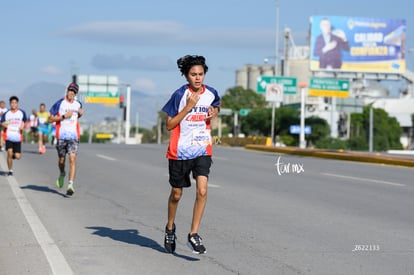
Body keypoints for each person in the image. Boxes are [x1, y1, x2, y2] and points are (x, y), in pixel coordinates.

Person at [161, 55, 221, 254]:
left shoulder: (211, 93)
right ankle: (170, 228)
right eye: (193, 74)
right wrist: (188, 107)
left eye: (201, 74)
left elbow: (216, 105)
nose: (197, 78)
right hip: (179, 151)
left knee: (202, 190)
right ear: (186, 76)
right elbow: (169, 125)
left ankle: (193, 234)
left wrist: (215, 112)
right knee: (177, 194)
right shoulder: (179, 95)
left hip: (202, 148)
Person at [49, 83, 84, 196]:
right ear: (67, 91)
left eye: (74, 92)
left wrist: (80, 114)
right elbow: (50, 119)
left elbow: (76, 117)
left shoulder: (78, 104)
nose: (71, 93)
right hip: (62, 137)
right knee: (61, 161)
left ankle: (70, 185)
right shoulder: (59, 103)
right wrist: (64, 116)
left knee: (72, 159)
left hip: (73, 137)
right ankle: (62, 173)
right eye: (70, 90)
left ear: (76, 94)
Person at [0, 96, 27, 176]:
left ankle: (14, 155)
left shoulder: (22, 112)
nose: (13, 104)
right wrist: (7, 124)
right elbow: (2, 123)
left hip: (17, 137)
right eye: (12, 103)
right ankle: (10, 170)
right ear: (10, 104)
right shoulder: (6, 113)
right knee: (9, 152)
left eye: (15, 103)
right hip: (8, 136)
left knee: (17, 156)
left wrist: (23, 125)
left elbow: (24, 121)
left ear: (17, 103)